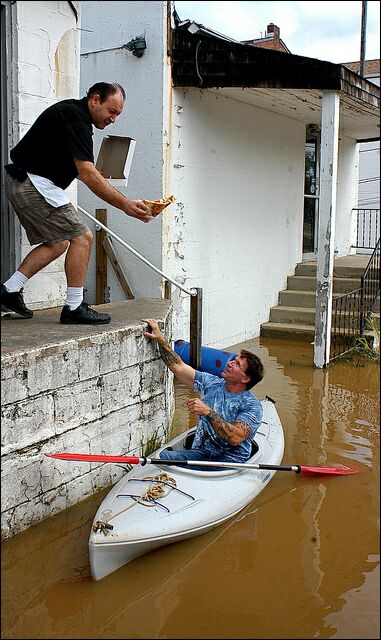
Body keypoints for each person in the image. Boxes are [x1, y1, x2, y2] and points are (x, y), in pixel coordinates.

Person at [1, 82, 152, 324]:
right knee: (83, 237)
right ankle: (73, 307)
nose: (113, 119)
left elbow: (85, 171)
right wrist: (125, 204)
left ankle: (9, 289)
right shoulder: (76, 120)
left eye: (118, 114)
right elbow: (87, 174)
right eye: (111, 111)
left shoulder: (74, 116)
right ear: (95, 100)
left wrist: (99, 176)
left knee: (59, 242)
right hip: (32, 182)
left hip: (25, 181)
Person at [142, 318, 265, 467]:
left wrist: (207, 412)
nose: (230, 363)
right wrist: (160, 339)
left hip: (230, 462)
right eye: (233, 360)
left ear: (245, 378)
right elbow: (178, 366)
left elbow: (236, 438)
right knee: (164, 456)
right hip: (202, 453)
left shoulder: (252, 406)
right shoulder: (212, 383)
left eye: (237, 364)